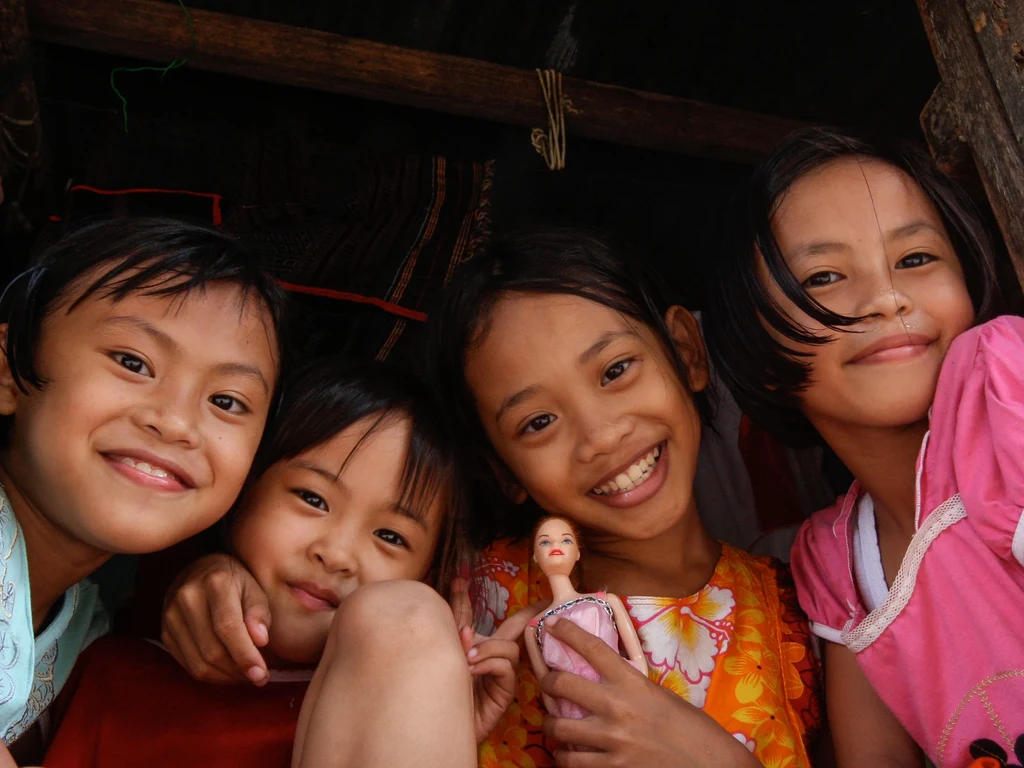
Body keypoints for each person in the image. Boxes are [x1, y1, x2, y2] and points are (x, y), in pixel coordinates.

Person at [428, 226, 820, 767]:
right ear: (501, 469)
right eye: (538, 421)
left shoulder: (807, 616)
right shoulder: (471, 596)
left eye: (615, 370)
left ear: (685, 353)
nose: (601, 435)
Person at [703, 126, 1024, 767]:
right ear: (758, 353)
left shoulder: (1007, 394)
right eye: (824, 277)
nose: (886, 298)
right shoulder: (837, 566)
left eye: (915, 259)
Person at [45, 359, 529, 768]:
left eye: (390, 536)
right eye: (312, 498)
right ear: (240, 493)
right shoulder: (108, 672)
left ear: (429, 577)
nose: (336, 554)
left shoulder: (397, 701)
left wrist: (436, 725)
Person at [0, 216, 286, 764]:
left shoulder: (87, 628)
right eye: (133, 362)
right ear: (8, 373)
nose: (176, 423)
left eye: (226, 401)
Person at [524, 515, 647, 725]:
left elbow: (638, 661)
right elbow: (547, 687)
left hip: (619, 691)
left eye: (566, 540)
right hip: (573, 709)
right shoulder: (535, 626)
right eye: (545, 542)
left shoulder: (605, 601)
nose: (556, 546)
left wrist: (638, 692)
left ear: (577, 553)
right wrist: (561, 719)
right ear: (535, 556)